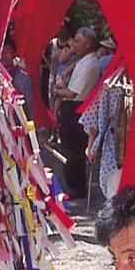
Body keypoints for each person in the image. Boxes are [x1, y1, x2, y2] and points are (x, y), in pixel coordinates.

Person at [55, 25, 104, 196]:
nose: (74, 44)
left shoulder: (90, 64)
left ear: (89, 44)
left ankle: (77, 186)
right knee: (68, 147)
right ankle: (72, 184)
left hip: (77, 106)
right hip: (71, 106)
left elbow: (72, 92)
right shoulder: (82, 61)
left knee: (74, 149)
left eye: (78, 41)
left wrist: (56, 91)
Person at [81, 70, 130, 199]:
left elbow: (96, 118)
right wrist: (92, 145)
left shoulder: (111, 83)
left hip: (126, 144)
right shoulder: (112, 83)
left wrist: (92, 146)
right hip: (115, 144)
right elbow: (97, 118)